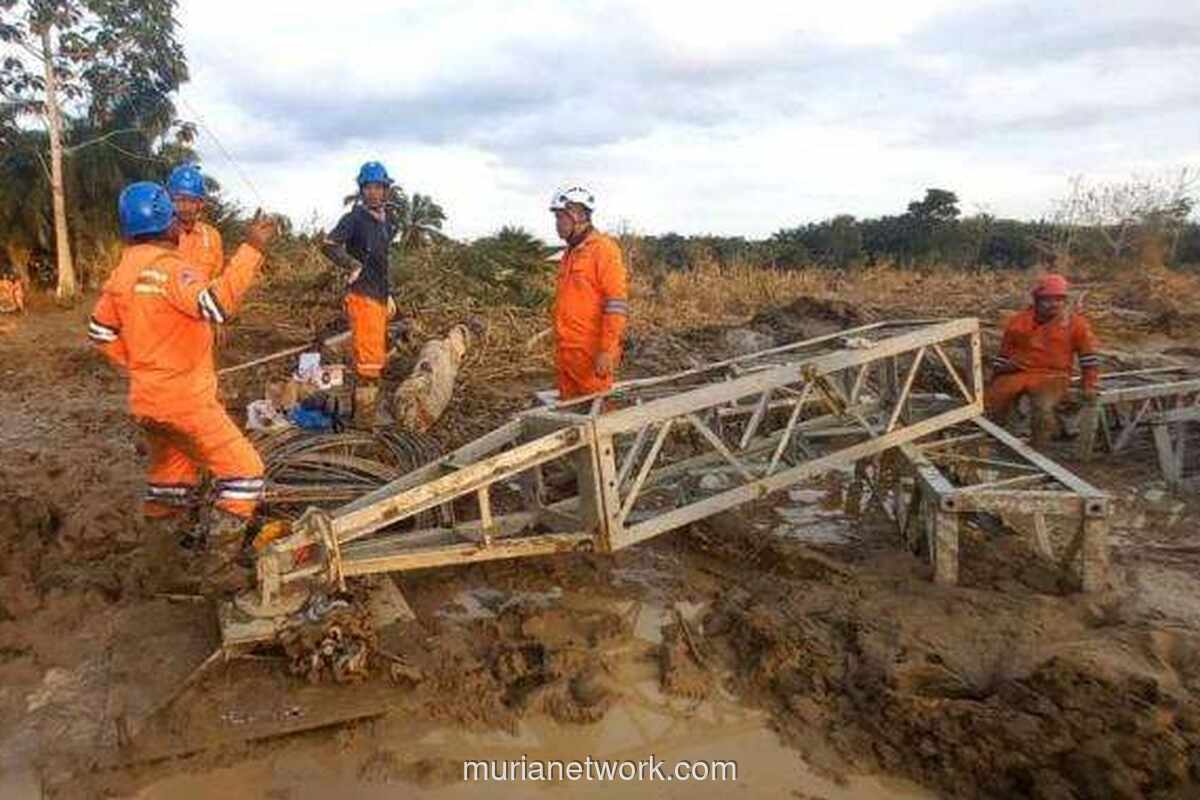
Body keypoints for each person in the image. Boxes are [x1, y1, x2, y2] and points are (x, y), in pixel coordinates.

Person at [88, 181, 276, 592]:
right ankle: (215, 571)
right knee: (245, 474)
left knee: (170, 482)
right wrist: (254, 249)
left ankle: (161, 571)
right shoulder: (172, 269)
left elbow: (99, 330)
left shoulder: (123, 272)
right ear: (167, 222)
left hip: (148, 401)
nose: (181, 220)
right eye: (175, 213)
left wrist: (141, 365)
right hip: (185, 402)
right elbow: (215, 305)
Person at [321, 161, 399, 427]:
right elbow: (329, 244)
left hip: (379, 294)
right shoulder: (355, 218)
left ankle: (359, 405)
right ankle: (365, 421)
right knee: (369, 362)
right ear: (362, 190)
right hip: (363, 296)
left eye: (379, 187)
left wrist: (388, 294)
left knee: (374, 352)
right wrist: (352, 265)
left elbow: (383, 262)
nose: (374, 192)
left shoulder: (387, 221)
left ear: (386, 189)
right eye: (369, 187)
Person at [985, 273, 1101, 446]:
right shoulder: (1018, 321)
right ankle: (996, 440)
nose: (1054, 304)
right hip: (1019, 371)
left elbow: (1089, 358)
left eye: (1059, 300)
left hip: (1053, 375)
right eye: (1048, 300)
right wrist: (996, 374)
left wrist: (1089, 385)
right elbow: (1004, 352)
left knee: (1043, 407)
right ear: (1037, 300)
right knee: (994, 399)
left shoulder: (1077, 324)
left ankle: (1039, 448)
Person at [549, 185, 628, 400]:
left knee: (597, 418)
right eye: (556, 218)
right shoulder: (570, 252)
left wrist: (606, 351)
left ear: (578, 215)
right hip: (567, 354)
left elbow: (616, 304)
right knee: (570, 418)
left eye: (560, 218)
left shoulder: (603, 250)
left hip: (591, 356)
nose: (557, 225)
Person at [168, 163, 224, 281]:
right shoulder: (160, 235)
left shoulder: (212, 237)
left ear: (201, 203)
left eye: (192, 201)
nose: (186, 207)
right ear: (170, 200)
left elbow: (216, 280)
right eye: (180, 200)